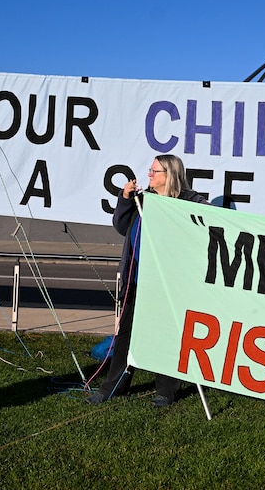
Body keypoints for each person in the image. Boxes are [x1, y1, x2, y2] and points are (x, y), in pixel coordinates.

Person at [86, 154, 208, 407]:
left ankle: (165, 390)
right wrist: (124, 200)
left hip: (169, 285)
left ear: (170, 175)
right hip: (138, 281)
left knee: (166, 337)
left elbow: (204, 223)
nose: (149, 175)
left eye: (154, 172)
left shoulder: (189, 202)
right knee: (125, 338)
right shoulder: (143, 201)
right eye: (150, 171)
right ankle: (113, 386)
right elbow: (122, 226)